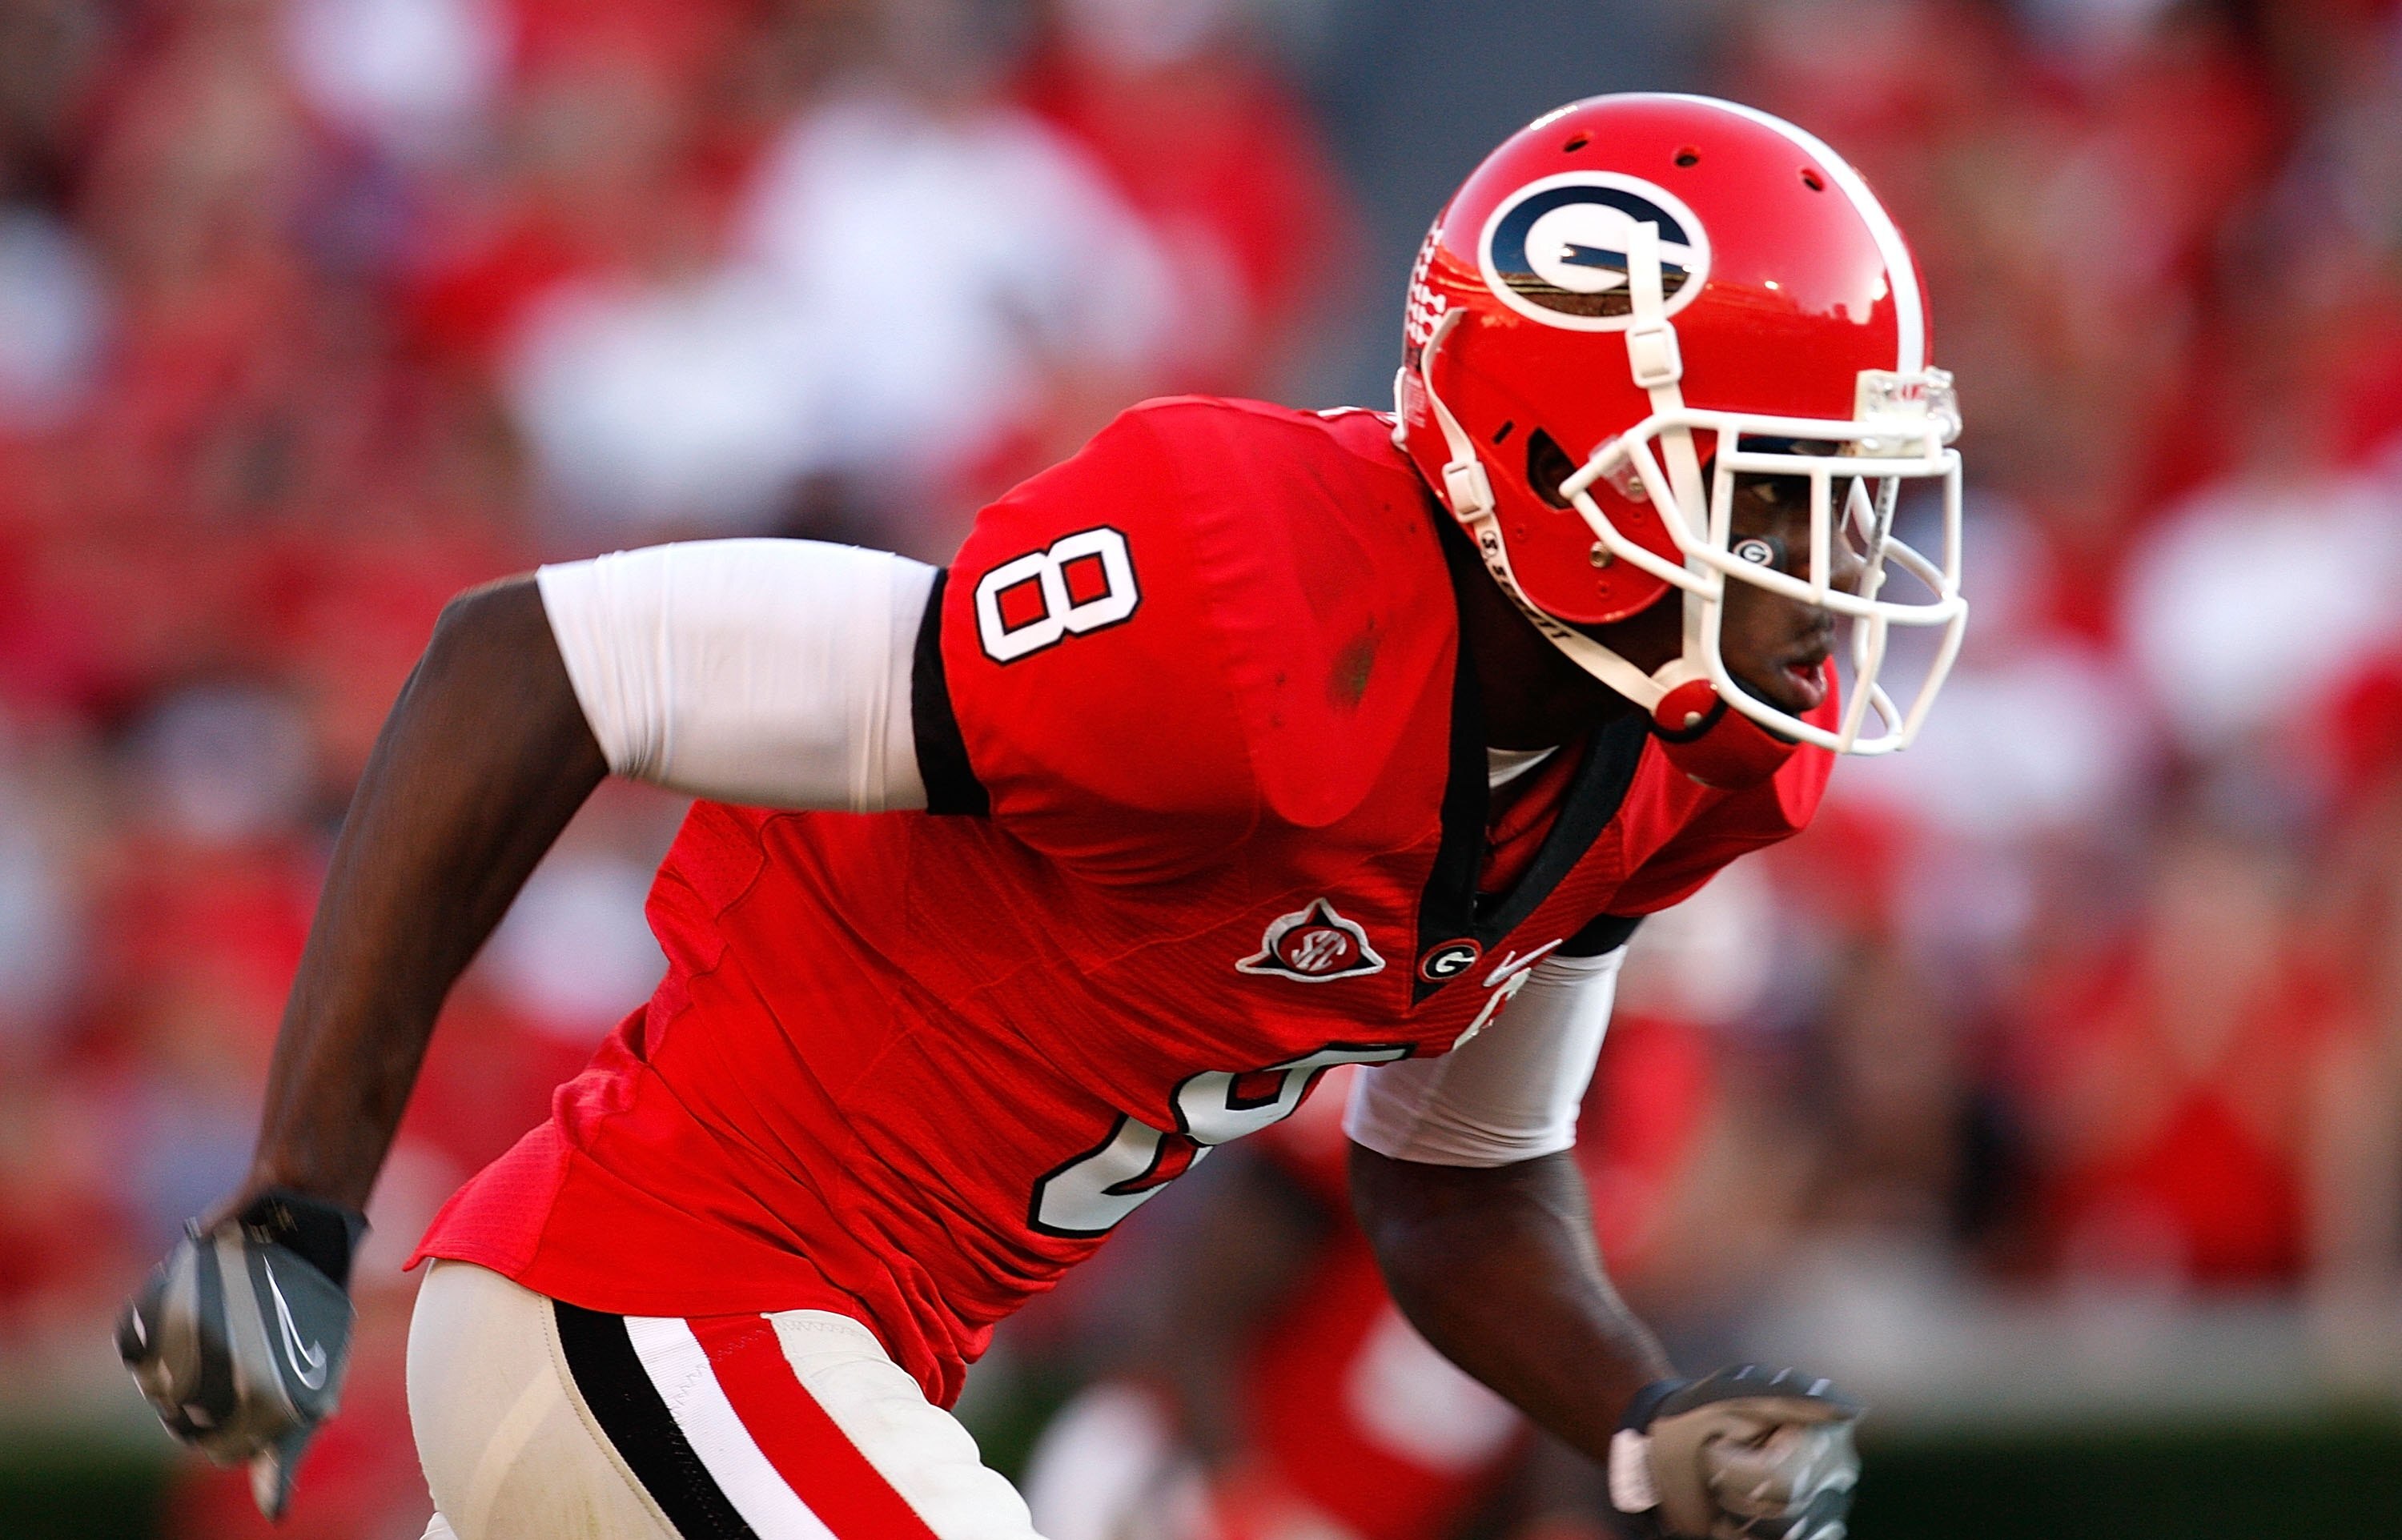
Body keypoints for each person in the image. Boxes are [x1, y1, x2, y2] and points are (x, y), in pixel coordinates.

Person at [118, 94, 1966, 1540]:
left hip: (812, 1372)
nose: (1839, 567)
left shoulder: (1654, 775)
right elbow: (541, 659)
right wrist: (298, 1199)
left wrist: (1639, 1416)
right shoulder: (1248, 615)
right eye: (1783, 495)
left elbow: (1460, 1183)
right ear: (1562, 459)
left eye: (1857, 498)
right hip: (657, 1297)